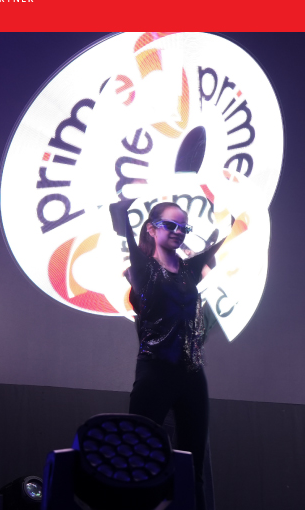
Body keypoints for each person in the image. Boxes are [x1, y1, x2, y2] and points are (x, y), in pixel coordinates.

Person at [110, 199, 224, 510]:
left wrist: (238, 220)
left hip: (192, 374)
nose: (178, 231)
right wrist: (121, 211)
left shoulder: (188, 271)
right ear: (152, 228)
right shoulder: (142, 269)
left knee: (193, 466)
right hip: (155, 372)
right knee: (137, 455)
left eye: (183, 227)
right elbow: (124, 228)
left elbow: (218, 247)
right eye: (170, 225)